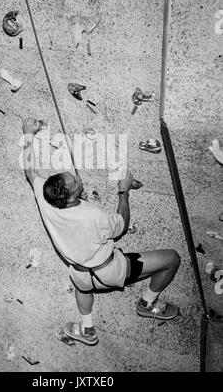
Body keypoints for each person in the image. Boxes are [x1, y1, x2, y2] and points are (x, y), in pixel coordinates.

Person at [22, 117, 181, 346]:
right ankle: (147, 304)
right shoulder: (94, 216)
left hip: (80, 275)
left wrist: (28, 133)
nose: (76, 177)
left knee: (82, 284)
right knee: (172, 259)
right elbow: (122, 225)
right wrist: (123, 192)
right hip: (110, 271)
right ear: (69, 198)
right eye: (75, 181)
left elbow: (30, 171)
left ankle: (87, 329)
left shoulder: (45, 199)